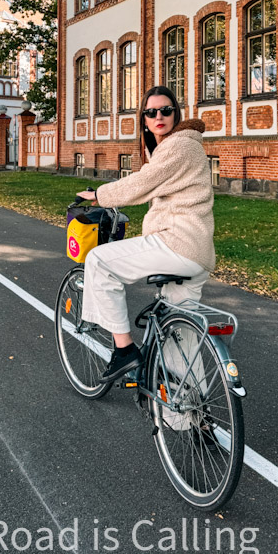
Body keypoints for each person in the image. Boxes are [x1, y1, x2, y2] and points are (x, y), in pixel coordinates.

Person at [77, 85, 216, 383]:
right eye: (151, 112)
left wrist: (99, 195)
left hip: (177, 244)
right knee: (181, 343)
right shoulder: (174, 147)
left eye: (166, 110)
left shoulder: (181, 145)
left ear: (175, 113)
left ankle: (124, 350)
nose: (159, 116)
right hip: (197, 255)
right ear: (144, 118)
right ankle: (192, 419)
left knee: (99, 261)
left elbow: (143, 182)